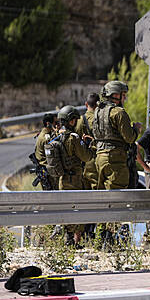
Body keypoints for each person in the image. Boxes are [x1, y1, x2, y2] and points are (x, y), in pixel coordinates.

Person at [56, 105, 94, 245]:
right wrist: (89, 145)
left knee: (66, 208)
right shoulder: (73, 138)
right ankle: (74, 241)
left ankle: (67, 239)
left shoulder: (57, 136)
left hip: (62, 179)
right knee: (77, 209)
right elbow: (86, 157)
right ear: (71, 121)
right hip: (75, 180)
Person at [93, 81, 142, 189]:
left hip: (99, 157)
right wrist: (136, 129)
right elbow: (129, 138)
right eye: (123, 95)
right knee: (117, 196)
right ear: (115, 95)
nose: (124, 99)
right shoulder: (119, 112)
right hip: (115, 159)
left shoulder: (97, 111)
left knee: (103, 195)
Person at [75, 92, 99, 189]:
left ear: (86, 104)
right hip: (101, 157)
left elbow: (76, 138)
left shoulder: (81, 120)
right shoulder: (102, 118)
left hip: (87, 159)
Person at [34, 113, 59, 189]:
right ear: (48, 124)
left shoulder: (46, 134)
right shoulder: (45, 138)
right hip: (48, 173)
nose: (57, 125)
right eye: (55, 123)